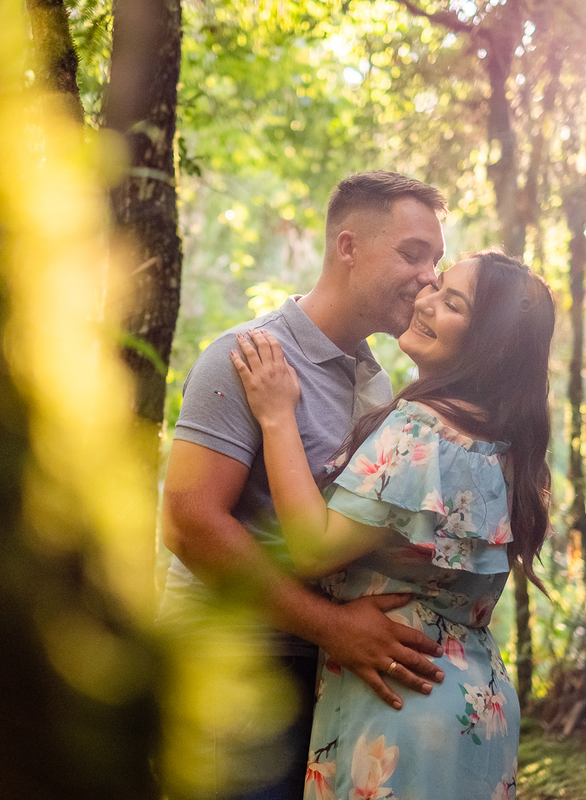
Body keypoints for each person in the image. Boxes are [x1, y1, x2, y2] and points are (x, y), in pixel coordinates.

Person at [160, 171, 454, 800]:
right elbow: (189, 523)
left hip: (321, 674)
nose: (430, 276)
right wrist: (330, 625)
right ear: (347, 247)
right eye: (411, 253)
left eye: (437, 260)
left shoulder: (379, 383)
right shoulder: (244, 356)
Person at [230, 250, 555, 800]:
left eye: (452, 302)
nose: (424, 300)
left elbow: (311, 549)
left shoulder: (423, 431)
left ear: (490, 343)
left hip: (399, 705)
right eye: (437, 286)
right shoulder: (504, 443)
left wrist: (276, 414)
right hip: (476, 705)